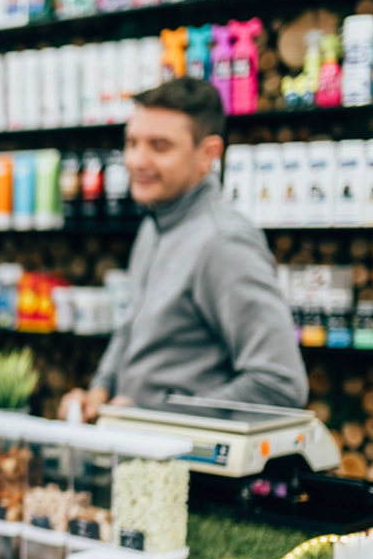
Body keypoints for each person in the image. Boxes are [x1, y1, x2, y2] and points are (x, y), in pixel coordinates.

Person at [62, 77, 307, 420]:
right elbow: (133, 327)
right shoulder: (154, 224)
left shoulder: (224, 244)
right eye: (131, 143)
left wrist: (155, 417)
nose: (136, 160)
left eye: (159, 146)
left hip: (191, 468)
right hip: (143, 457)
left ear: (208, 154)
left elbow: (280, 383)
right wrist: (100, 390)